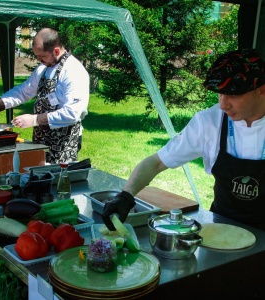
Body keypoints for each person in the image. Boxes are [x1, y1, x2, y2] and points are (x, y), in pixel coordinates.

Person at [102, 48, 265, 231]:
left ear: (261, 90)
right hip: (222, 231)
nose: (223, 104)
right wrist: (125, 196)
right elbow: (156, 162)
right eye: (219, 93)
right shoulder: (208, 122)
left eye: (233, 95)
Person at [0, 28, 89, 163]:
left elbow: (73, 113)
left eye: (42, 56)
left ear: (56, 51)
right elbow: (24, 91)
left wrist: (35, 120)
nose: (38, 60)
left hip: (63, 143)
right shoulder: (43, 67)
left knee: (58, 180)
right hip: (42, 139)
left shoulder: (73, 71)